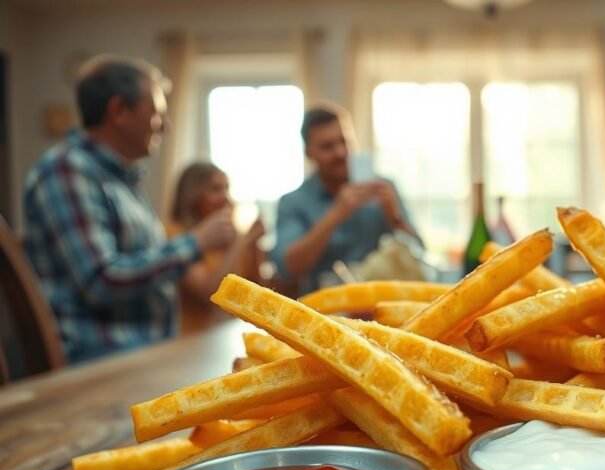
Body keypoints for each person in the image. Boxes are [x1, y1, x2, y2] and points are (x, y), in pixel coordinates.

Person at [22, 55, 235, 364]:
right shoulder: (66, 171)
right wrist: (196, 243)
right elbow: (102, 281)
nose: (166, 125)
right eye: (157, 112)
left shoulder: (121, 179)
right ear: (119, 111)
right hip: (100, 364)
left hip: (145, 355)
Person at [272, 105, 417, 296]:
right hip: (321, 311)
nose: (340, 152)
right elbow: (288, 268)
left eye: (344, 141)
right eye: (327, 146)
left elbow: (419, 254)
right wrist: (336, 215)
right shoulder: (293, 202)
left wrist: (394, 216)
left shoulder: (384, 188)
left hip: (380, 303)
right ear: (309, 153)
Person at [168, 162, 265, 334]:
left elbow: (254, 292)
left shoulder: (230, 239)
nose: (226, 199)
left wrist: (253, 244)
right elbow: (210, 293)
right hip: (191, 341)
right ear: (193, 194)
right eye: (215, 189)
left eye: (226, 189)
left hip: (227, 336)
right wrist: (241, 241)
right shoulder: (175, 234)